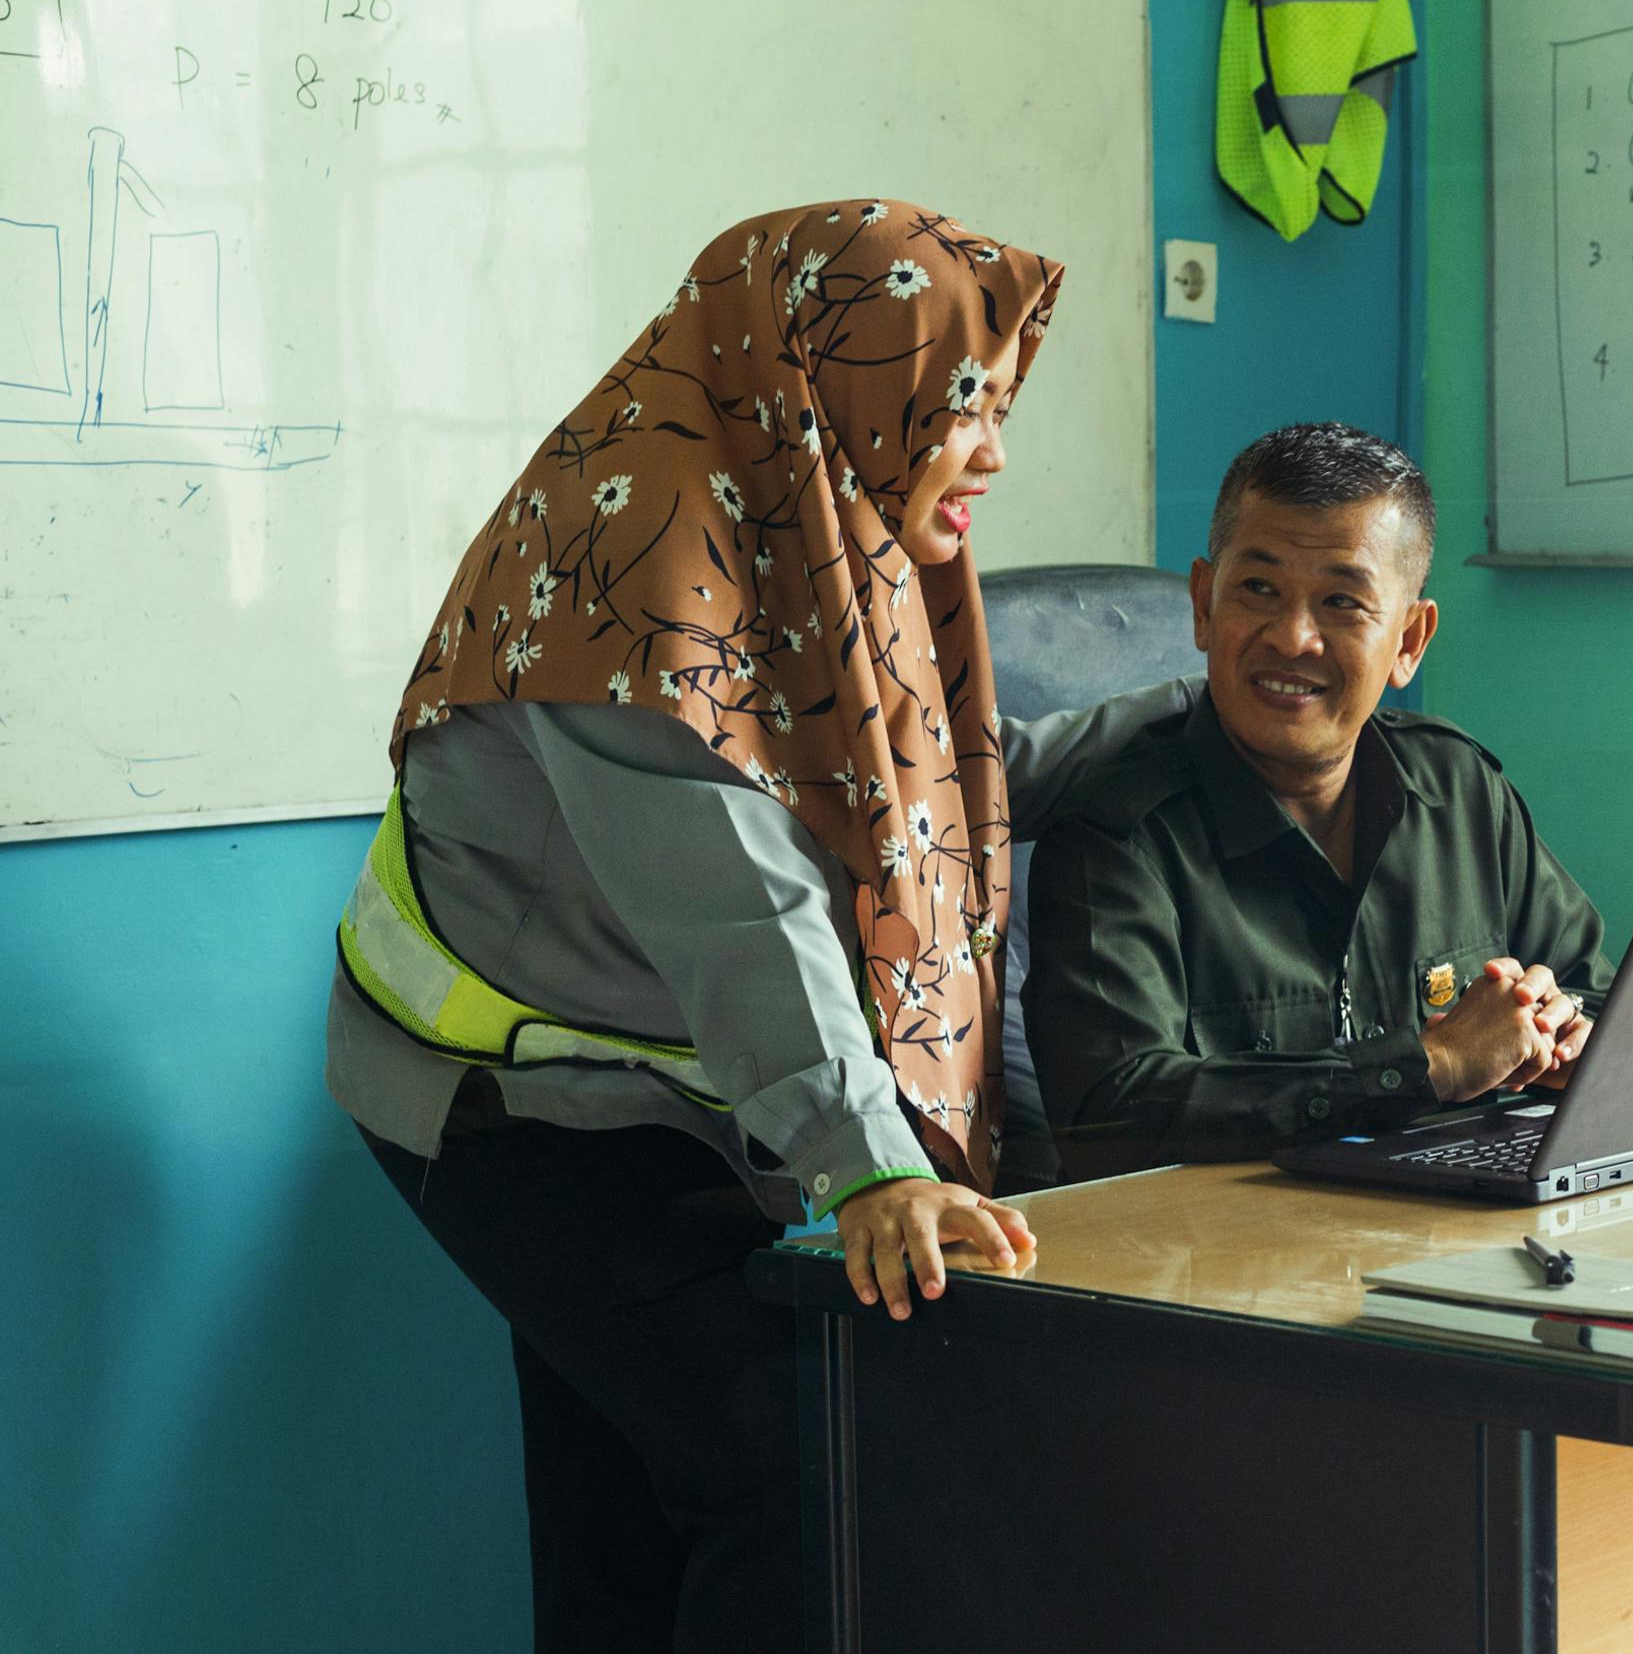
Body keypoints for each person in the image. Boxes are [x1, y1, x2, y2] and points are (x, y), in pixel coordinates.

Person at [327, 199, 1176, 1651]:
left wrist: (1199, 709)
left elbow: (932, 788)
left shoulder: (809, 513)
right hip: (510, 1102)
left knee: (634, 1501)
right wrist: (873, 1171)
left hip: (670, 1089)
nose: (992, 449)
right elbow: (746, 907)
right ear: (836, 377)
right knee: (794, 1457)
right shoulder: (643, 568)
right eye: (960, 405)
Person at [1023, 422, 1613, 1182]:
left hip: (1460, 1239)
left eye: (1342, 601)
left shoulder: (1461, 790)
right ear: (1204, 604)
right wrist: (1425, 1066)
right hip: (1230, 1270)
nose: (1293, 636)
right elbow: (1114, 1115)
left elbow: (1593, 987)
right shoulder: (1118, 834)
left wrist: (1569, 1031)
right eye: (1258, 589)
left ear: (1408, 641)